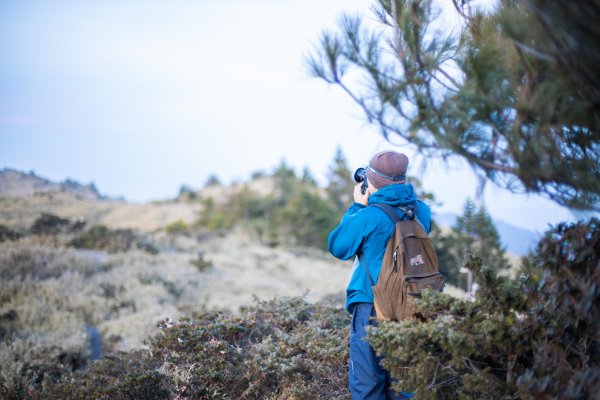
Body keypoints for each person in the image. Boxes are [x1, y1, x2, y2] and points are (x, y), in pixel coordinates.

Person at [328, 150, 431, 400]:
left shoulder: (369, 216)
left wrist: (356, 205)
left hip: (371, 306)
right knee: (405, 386)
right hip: (412, 306)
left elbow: (338, 246)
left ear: (372, 181)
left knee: (368, 387)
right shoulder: (422, 211)